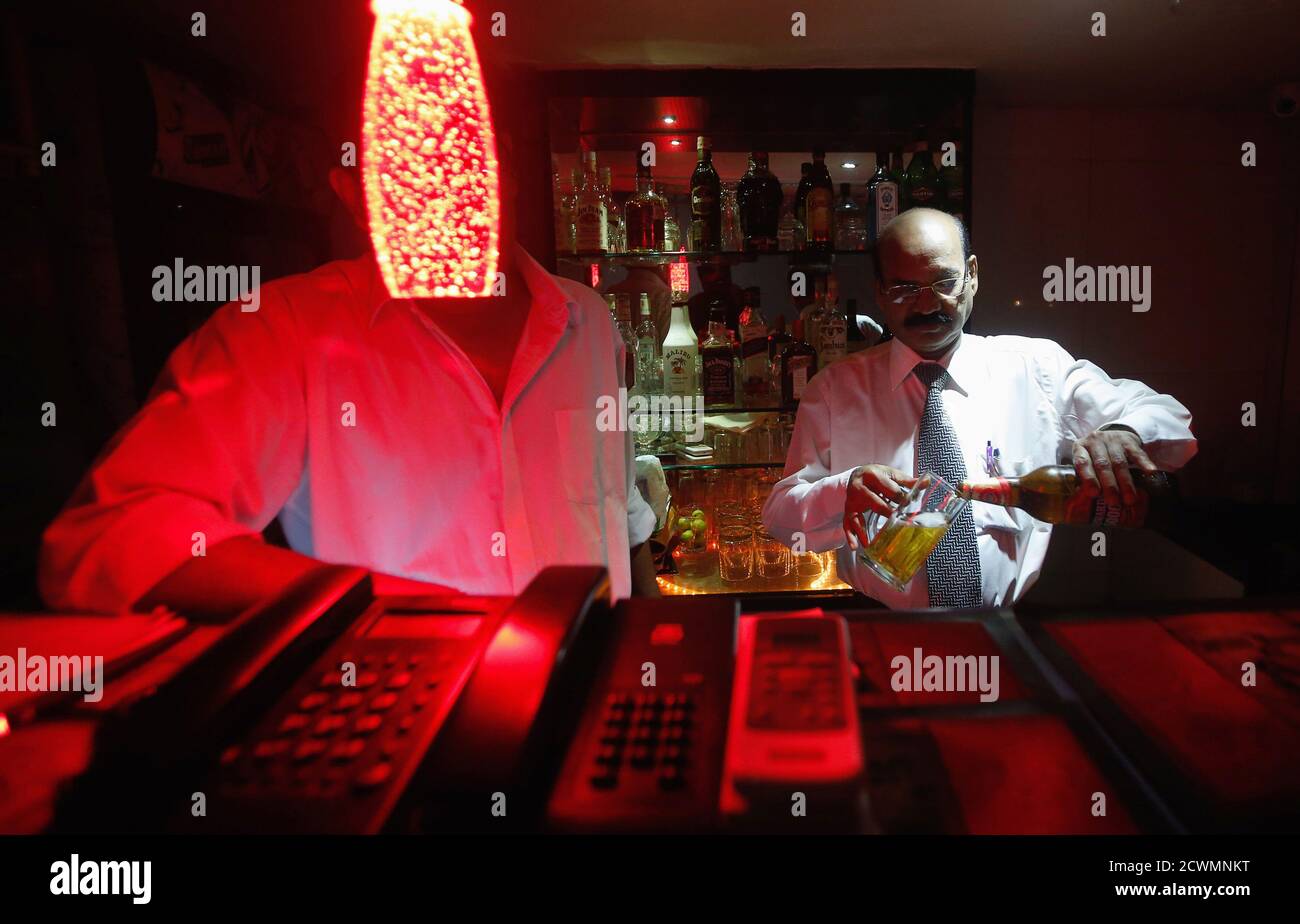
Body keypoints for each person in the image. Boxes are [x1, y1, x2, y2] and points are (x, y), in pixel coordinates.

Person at [39, 62, 658, 618]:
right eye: (401, 165)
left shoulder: (588, 319)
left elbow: (617, 507)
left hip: (591, 706)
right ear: (354, 193)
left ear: (506, 165)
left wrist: (652, 640)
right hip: (401, 713)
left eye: (459, 152)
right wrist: (406, 610)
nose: (437, 188)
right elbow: (109, 533)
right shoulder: (282, 329)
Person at [762, 208, 1197, 609]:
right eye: (904, 289)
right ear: (879, 291)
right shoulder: (835, 389)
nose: (928, 304)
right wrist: (843, 491)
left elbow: (1166, 415)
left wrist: (1123, 431)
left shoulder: (1034, 368)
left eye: (944, 283)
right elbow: (781, 516)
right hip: (882, 624)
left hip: (1009, 625)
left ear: (972, 276)